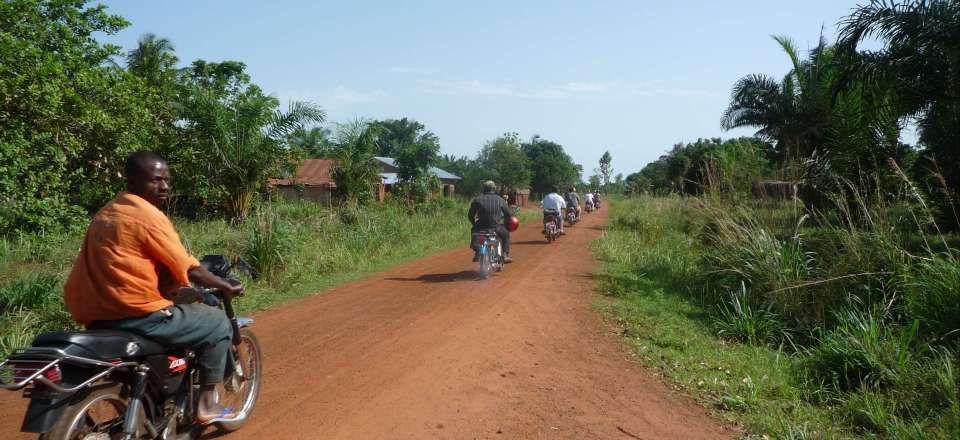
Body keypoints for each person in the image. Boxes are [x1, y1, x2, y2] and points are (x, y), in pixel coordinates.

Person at [64, 151, 244, 424]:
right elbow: (189, 267)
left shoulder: (106, 213)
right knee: (217, 323)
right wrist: (224, 286)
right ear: (133, 181)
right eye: (156, 180)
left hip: (97, 314)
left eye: (167, 180)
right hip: (137, 314)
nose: (164, 187)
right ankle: (207, 404)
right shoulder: (147, 216)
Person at [468, 180, 513, 263]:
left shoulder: (477, 200)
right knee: (506, 235)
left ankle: (477, 252)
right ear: (494, 189)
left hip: (480, 228)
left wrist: (475, 224)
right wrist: (506, 222)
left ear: (484, 189)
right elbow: (508, 215)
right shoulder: (500, 200)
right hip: (496, 227)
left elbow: (470, 215)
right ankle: (505, 255)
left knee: (473, 232)